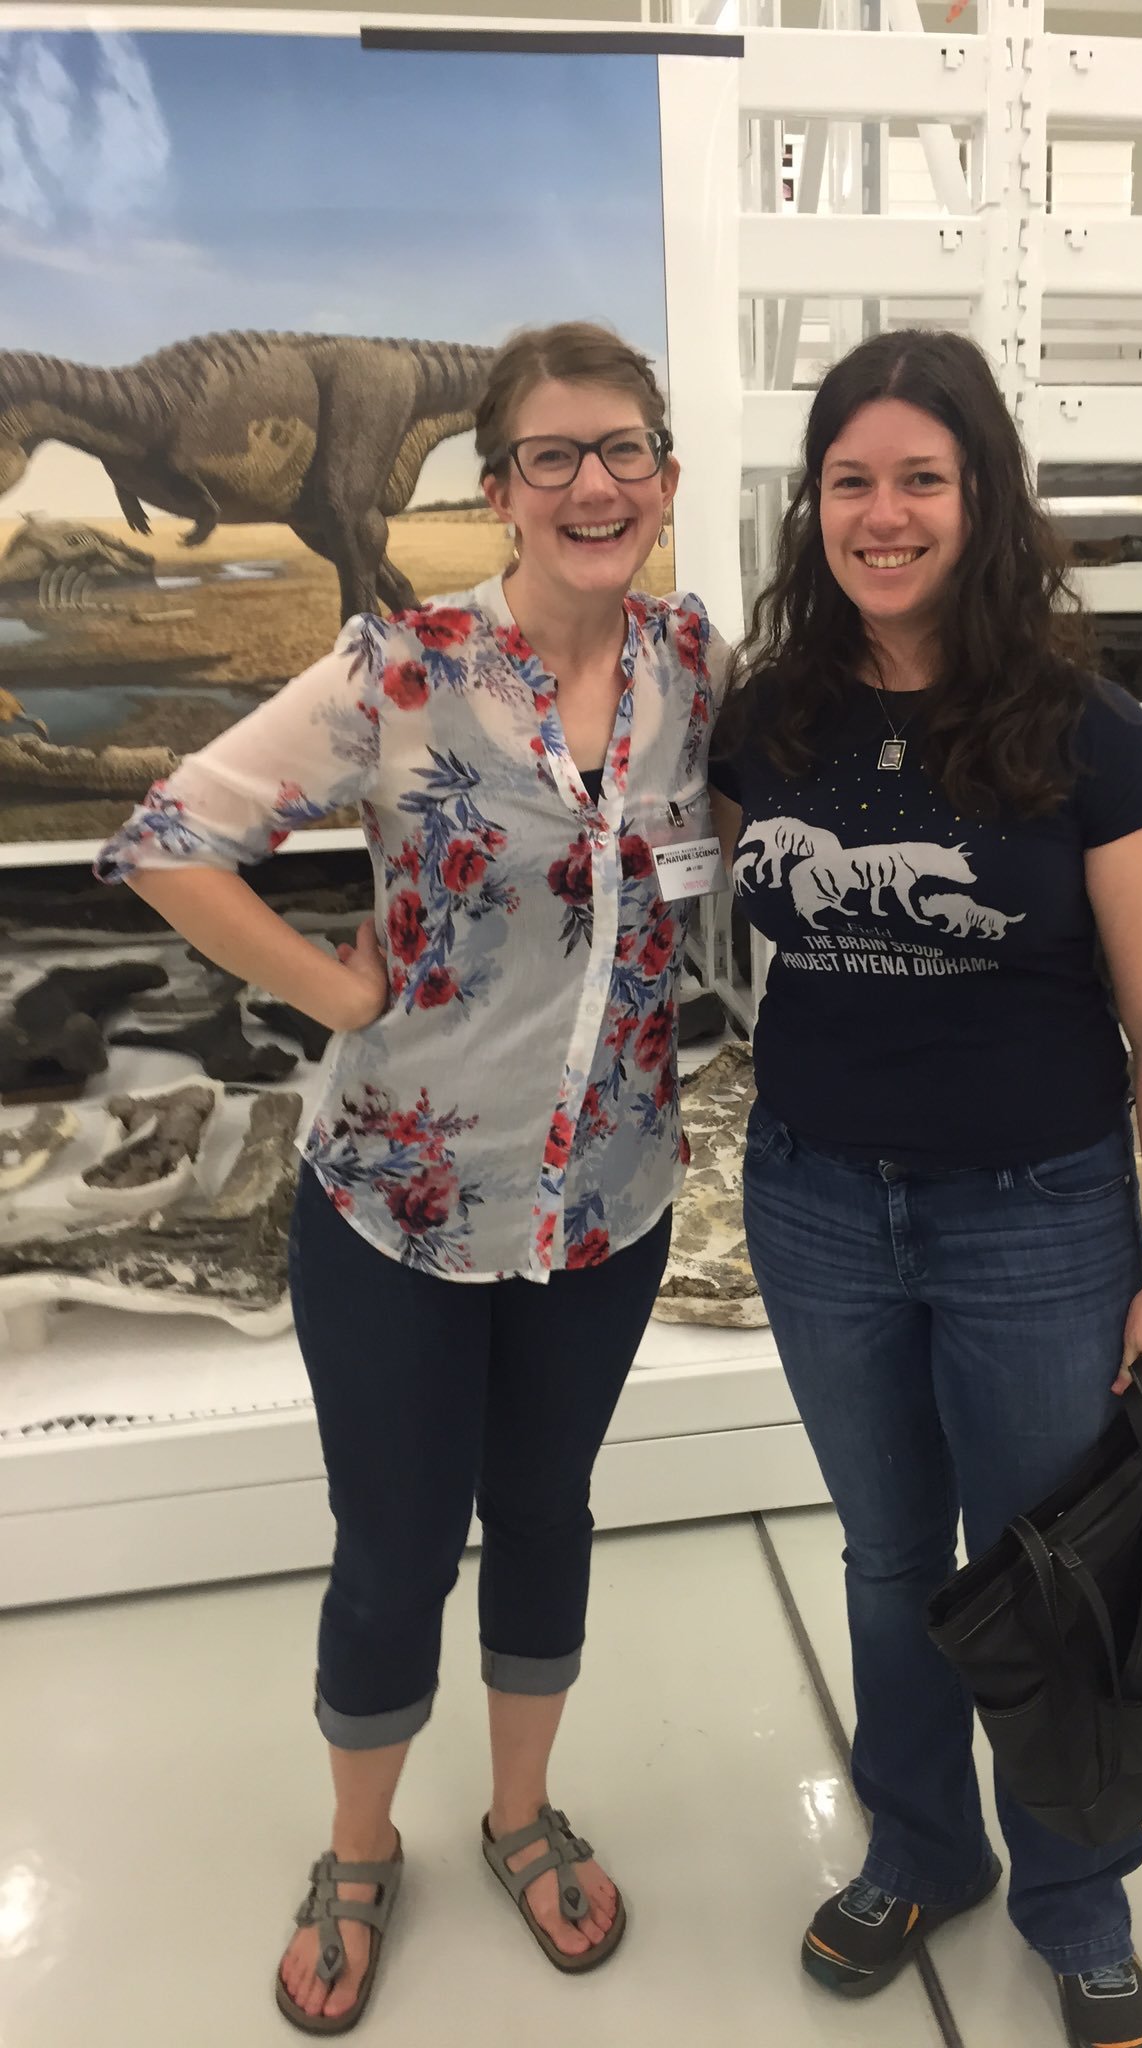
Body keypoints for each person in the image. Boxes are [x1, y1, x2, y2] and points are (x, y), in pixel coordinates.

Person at [95, 322, 721, 2034]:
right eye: (551, 456)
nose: (593, 484)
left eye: (624, 449)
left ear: (665, 474)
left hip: (607, 1208)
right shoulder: (403, 667)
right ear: (500, 487)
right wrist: (338, 991)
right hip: (399, 1210)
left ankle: (519, 1813)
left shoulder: (697, 664)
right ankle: (358, 1847)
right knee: (393, 1548)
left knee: (548, 1515)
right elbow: (170, 837)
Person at [708, 329, 1142, 2048]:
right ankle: (924, 1847)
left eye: (922, 477)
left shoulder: (1093, 737)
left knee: (1046, 1570)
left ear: (985, 497)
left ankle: (1080, 1902)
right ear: (815, 506)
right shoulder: (771, 720)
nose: (886, 513)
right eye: (852, 480)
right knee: (884, 1559)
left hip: (1036, 1220)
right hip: (818, 1207)